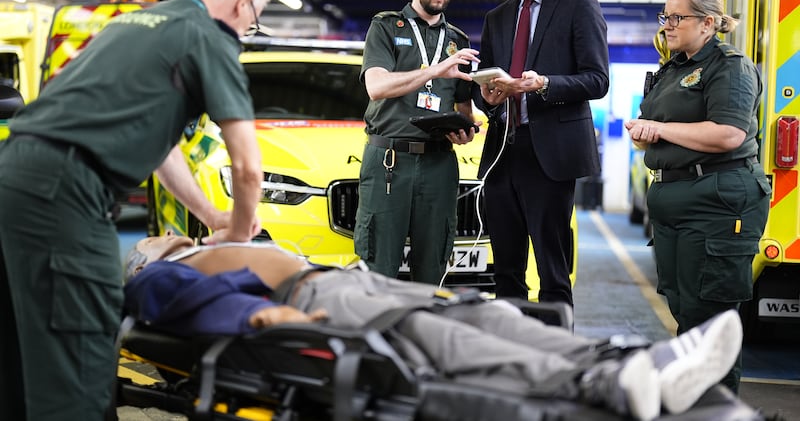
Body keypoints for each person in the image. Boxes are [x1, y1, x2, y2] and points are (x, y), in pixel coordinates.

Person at [0, 0, 268, 421]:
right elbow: (247, 166)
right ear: (243, 3)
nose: (249, 31)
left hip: (16, 176)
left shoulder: (136, 23)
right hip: (66, 192)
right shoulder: (209, 37)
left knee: (25, 346)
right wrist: (241, 233)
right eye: (256, 21)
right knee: (80, 344)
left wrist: (210, 214)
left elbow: (162, 150)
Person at [124, 234, 745, 421]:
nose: (165, 235)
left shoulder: (213, 245)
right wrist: (260, 316)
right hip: (315, 297)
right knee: (445, 337)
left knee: (483, 311)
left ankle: (637, 363)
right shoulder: (159, 274)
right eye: (156, 239)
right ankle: (606, 386)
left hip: (347, 279)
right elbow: (164, 297)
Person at [624, 0, 771, 393]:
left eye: (677, 17)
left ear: (707, 23)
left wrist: (660, 128)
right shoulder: (672, 69)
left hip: (716, 203)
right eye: (665, 16)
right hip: (674, 203)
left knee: (709, 323)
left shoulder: (730, 66)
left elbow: (728, 135)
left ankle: (717, 407)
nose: (667, 25)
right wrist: (643, 131)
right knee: (687, 313)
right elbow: (654, 128)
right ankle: (694, 402)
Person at [473, 0, 609, 305]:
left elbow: (597, 80)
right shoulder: (497, 18)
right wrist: (489, 97)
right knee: (505, 268)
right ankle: (512, 353)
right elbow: (485, 91)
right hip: (502, 153)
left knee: (552, 268)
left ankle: (557, 355)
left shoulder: (578, 5)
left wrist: (544, 84)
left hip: (549, 153)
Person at [355, 0, 479, 284]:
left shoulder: (459, 41)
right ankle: (375, 337)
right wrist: (436, 69)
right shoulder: (385, 27)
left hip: (439, 163)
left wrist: (465, 130)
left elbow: (464, 109)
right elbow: (377, 87)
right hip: (389, 161)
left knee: (433, 267)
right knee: (380, 267)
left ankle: (425, 335)